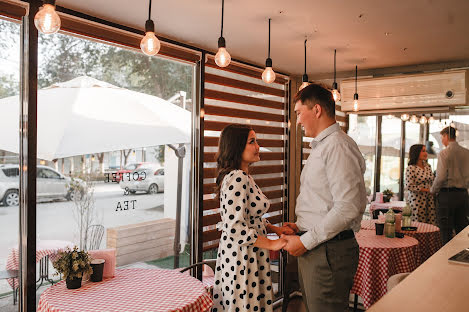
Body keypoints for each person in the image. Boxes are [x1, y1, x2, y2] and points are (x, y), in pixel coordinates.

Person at [281, 84, 367, 312]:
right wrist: (301, 227)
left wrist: (306, 240)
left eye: (299, 113)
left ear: (317, 110)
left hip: (327, 250)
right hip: (319, 247)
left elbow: (347, 207)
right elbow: (324, 201)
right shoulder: (325, 146)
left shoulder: (337, 146)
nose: (297, 121)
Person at [212, 124, 293, 312]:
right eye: (252, 141)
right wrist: (272, 244)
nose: (258, 146)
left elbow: (247, 217)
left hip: (246, 253)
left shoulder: (243, 176)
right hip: (243, 256)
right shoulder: (238, 178)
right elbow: (234, 227)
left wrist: (275, 229)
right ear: (236, 146)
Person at [430, 126, 469, 244]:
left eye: (442, 137)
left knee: (445, 232)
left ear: (446, 136)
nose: (442, 140)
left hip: (447, 196)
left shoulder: (444, 153)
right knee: (462, 230)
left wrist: (433, 190)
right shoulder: (467, 153)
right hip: (463, 195)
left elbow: (441, 177)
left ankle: (445, 260)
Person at [404, 144, 436, 225]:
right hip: (417, 200)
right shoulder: (411, 168)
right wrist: (427, 190)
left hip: (429, 199)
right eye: (423, 151)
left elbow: (432, 180)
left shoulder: (428, 166)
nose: (426, 153)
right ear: (416, 153)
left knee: (430, 223)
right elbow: (409, 186)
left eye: (425, 151)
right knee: (418, 224)